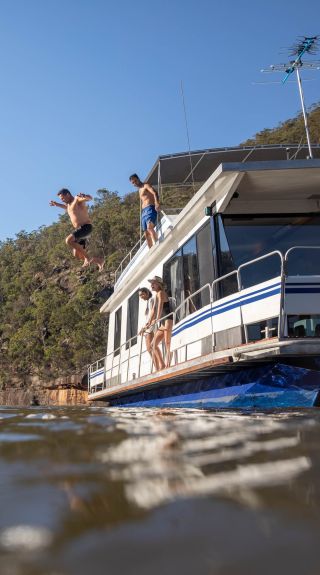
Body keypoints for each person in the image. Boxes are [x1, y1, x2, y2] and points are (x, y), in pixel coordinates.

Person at [50, 188, 104, 271]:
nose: (63, 200)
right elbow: (67, 208)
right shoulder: (68, 205)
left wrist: (85, 196)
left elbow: (89, 198)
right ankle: (98, 260)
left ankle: (88, 258)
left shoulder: (76, 199)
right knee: (76, 254)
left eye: (63, 198)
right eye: (61, 199)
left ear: (67, 194)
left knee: (68, 240)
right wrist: (56, 204)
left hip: (86, 227)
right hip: (80, 231)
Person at [148, 276, 173, 370]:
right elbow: (153, 310)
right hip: (163, 322)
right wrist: (149, 322)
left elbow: (160, 307)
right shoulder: (156, 295)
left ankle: (168, 364)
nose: (151, 285)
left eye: (153, 283)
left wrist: (157, 319)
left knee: (167, 342)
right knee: (152, 345)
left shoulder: (161, 293)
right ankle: (162, 364)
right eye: (151, 283)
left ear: (158, 284)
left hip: (168, 319)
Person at [129, 174, 160, 249]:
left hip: (150, 208)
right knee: (146, 234)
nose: (135, 183)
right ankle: (151, 250)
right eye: (133, 183)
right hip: (144, 212)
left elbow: (155, 193)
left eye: (135, 181)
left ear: (138, 179)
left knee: (150, 228)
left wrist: (156, 203)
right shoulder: (139, 190)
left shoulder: (145, 185)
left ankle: (157, 245)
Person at [138, 287, 156, 360]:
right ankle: (157, 366)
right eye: (140, 295)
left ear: (147, 293)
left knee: (150, 348)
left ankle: (158, 367)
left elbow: (152, 313)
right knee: (150, 348)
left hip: (150, 327)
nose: (141, 296)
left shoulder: (151, 300)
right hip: (148, 327)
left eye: (142, 294)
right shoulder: (149, 301)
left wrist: (145, 327)